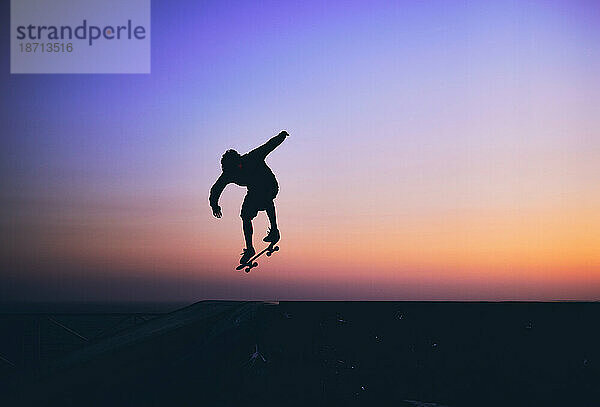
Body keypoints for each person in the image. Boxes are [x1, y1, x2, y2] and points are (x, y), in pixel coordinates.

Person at [209, 131, 289, 264]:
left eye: (237, 167)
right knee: (245, 215)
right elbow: (216, 188)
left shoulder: (252, 157)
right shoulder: (229, 173)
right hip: (254, 191)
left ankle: (274, 231)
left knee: (265, 199)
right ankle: (250, 248)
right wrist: (214, 205)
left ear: (239, 161)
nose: (237, 171)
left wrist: (281, 136)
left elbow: (268, 146)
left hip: (269, 185)